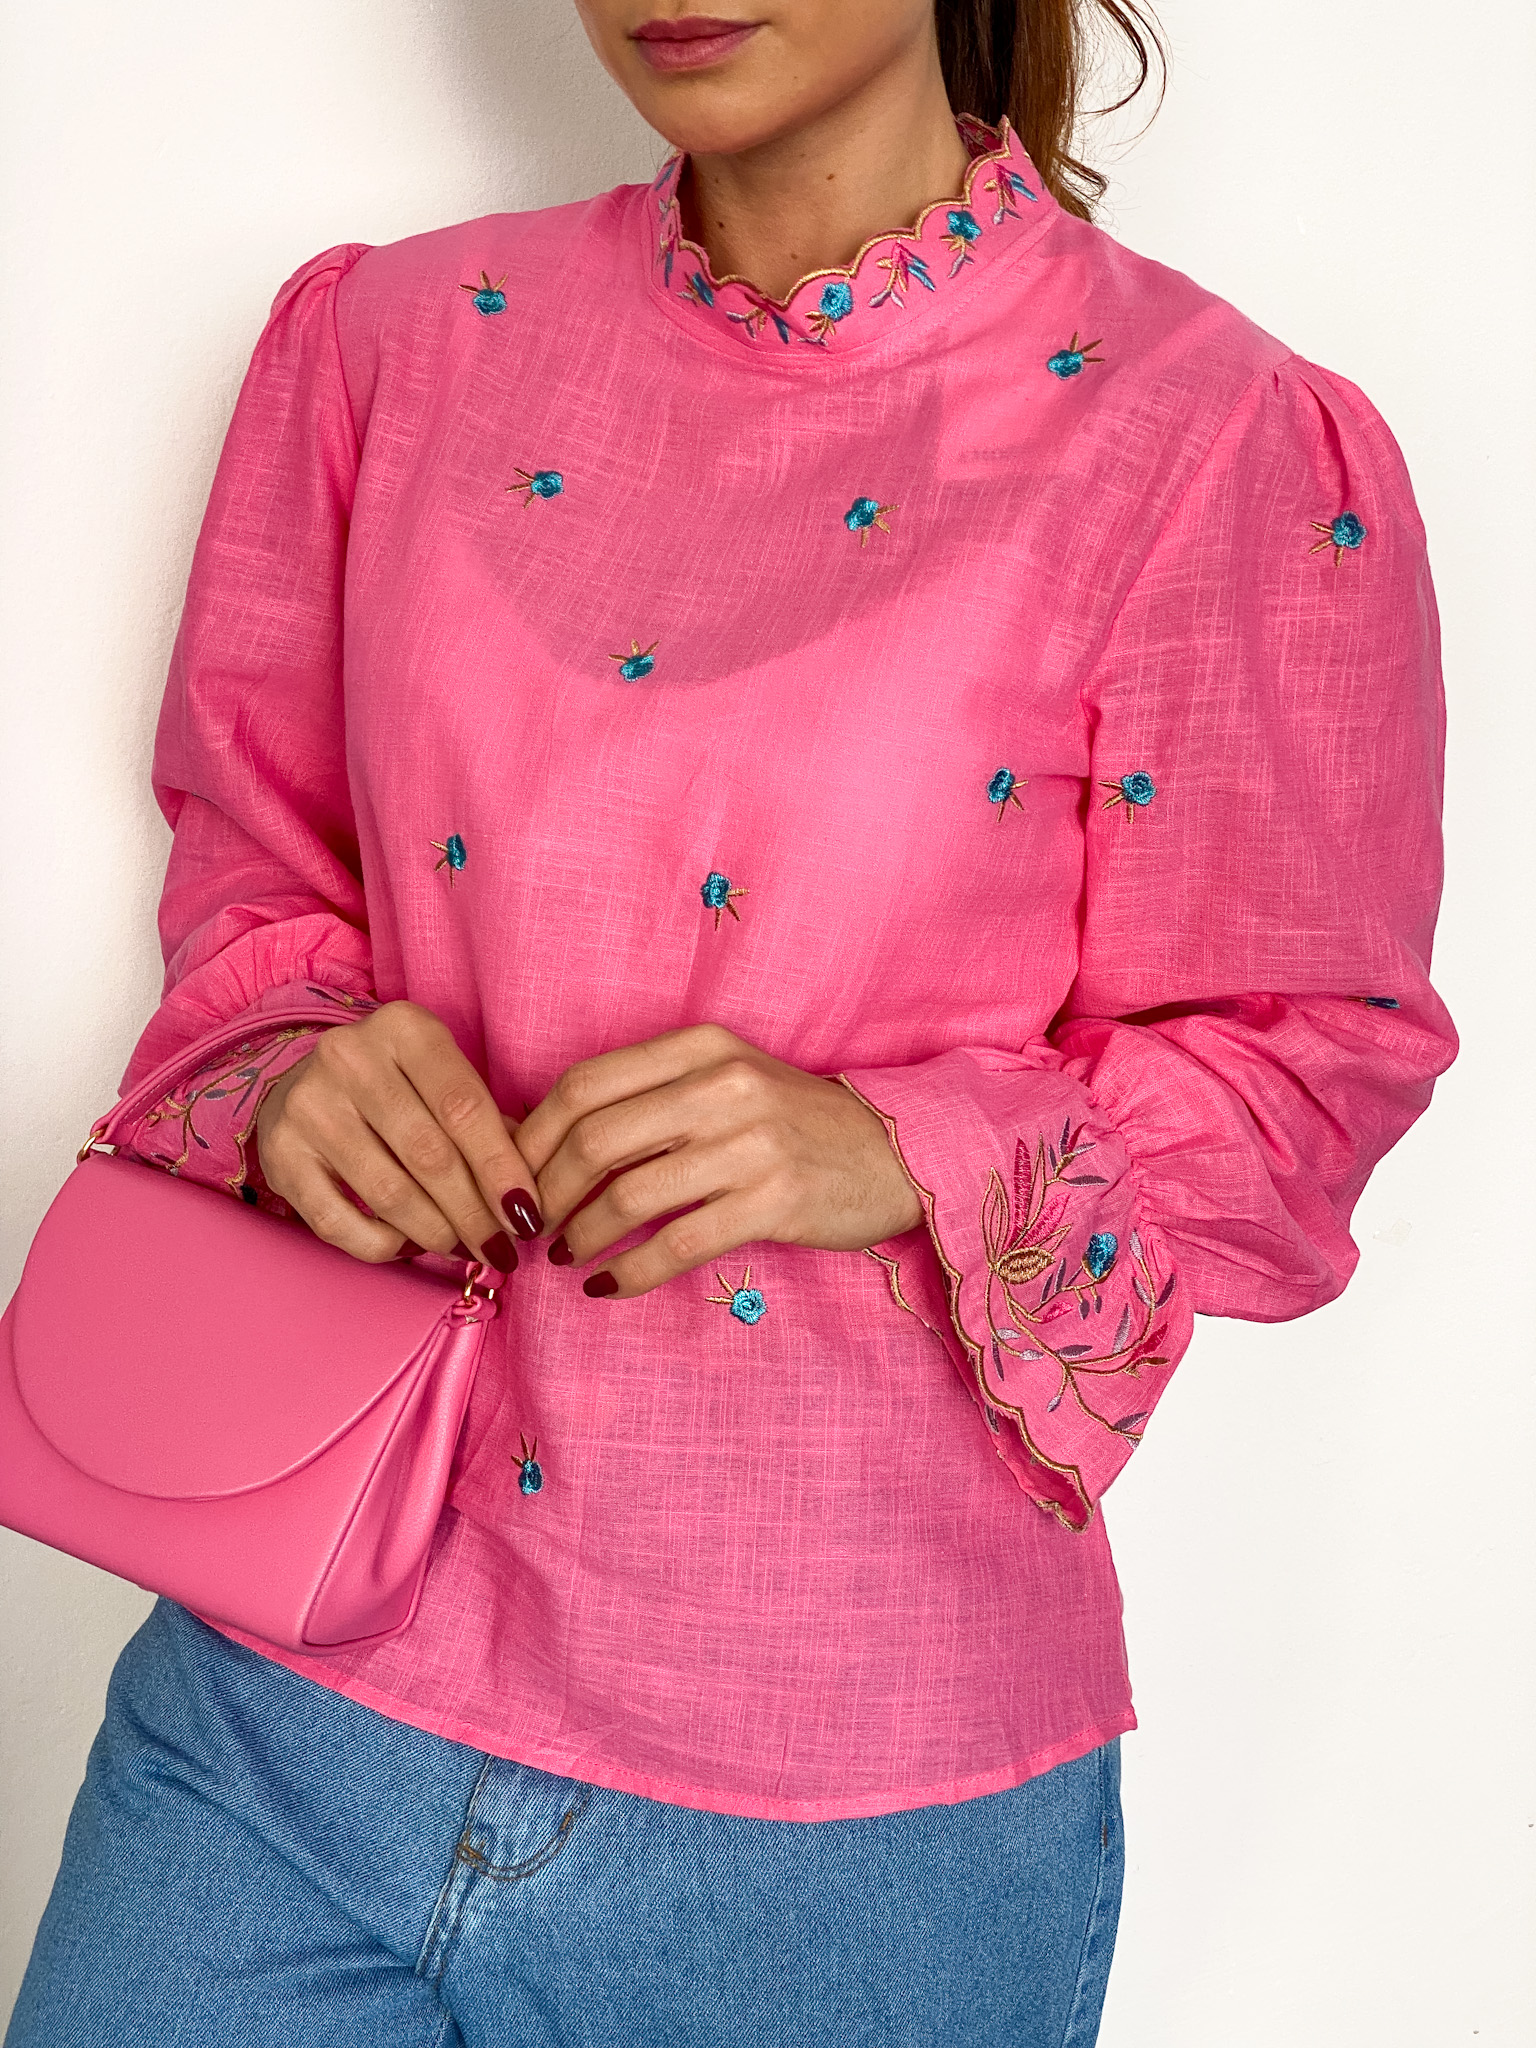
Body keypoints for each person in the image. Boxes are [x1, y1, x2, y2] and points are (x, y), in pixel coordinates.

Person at [6, 0, 1456, 2042]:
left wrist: (894, 1145)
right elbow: (258, 871)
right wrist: (302, 1060)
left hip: (845, 1831)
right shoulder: (395, 345)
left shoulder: (1211, 442)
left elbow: (1308, 1061)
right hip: (284, 1691)